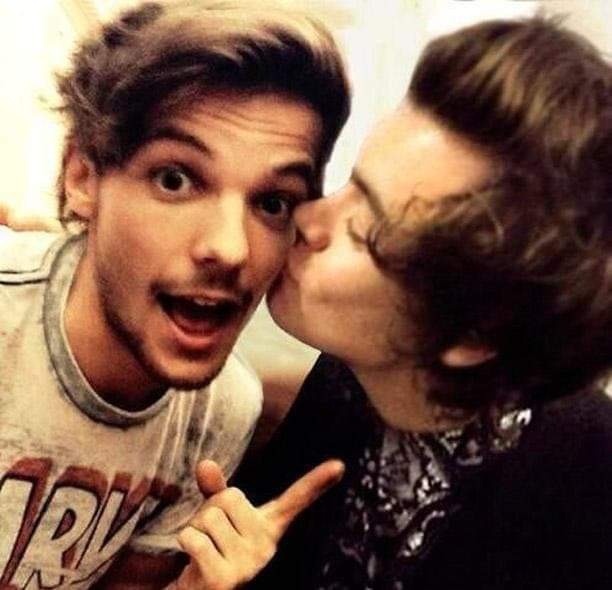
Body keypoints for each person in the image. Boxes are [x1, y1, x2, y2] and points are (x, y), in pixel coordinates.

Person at [193, 16, 612, 589]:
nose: (307, 218)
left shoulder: (582, 501)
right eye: (349, 184)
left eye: (364, 229)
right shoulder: (359, 369)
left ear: (472, 332)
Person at [0, 1, 350, 588]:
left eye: (272, 203)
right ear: (83, 176)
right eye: (176, 179)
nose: (231, 248)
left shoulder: (222, 411)